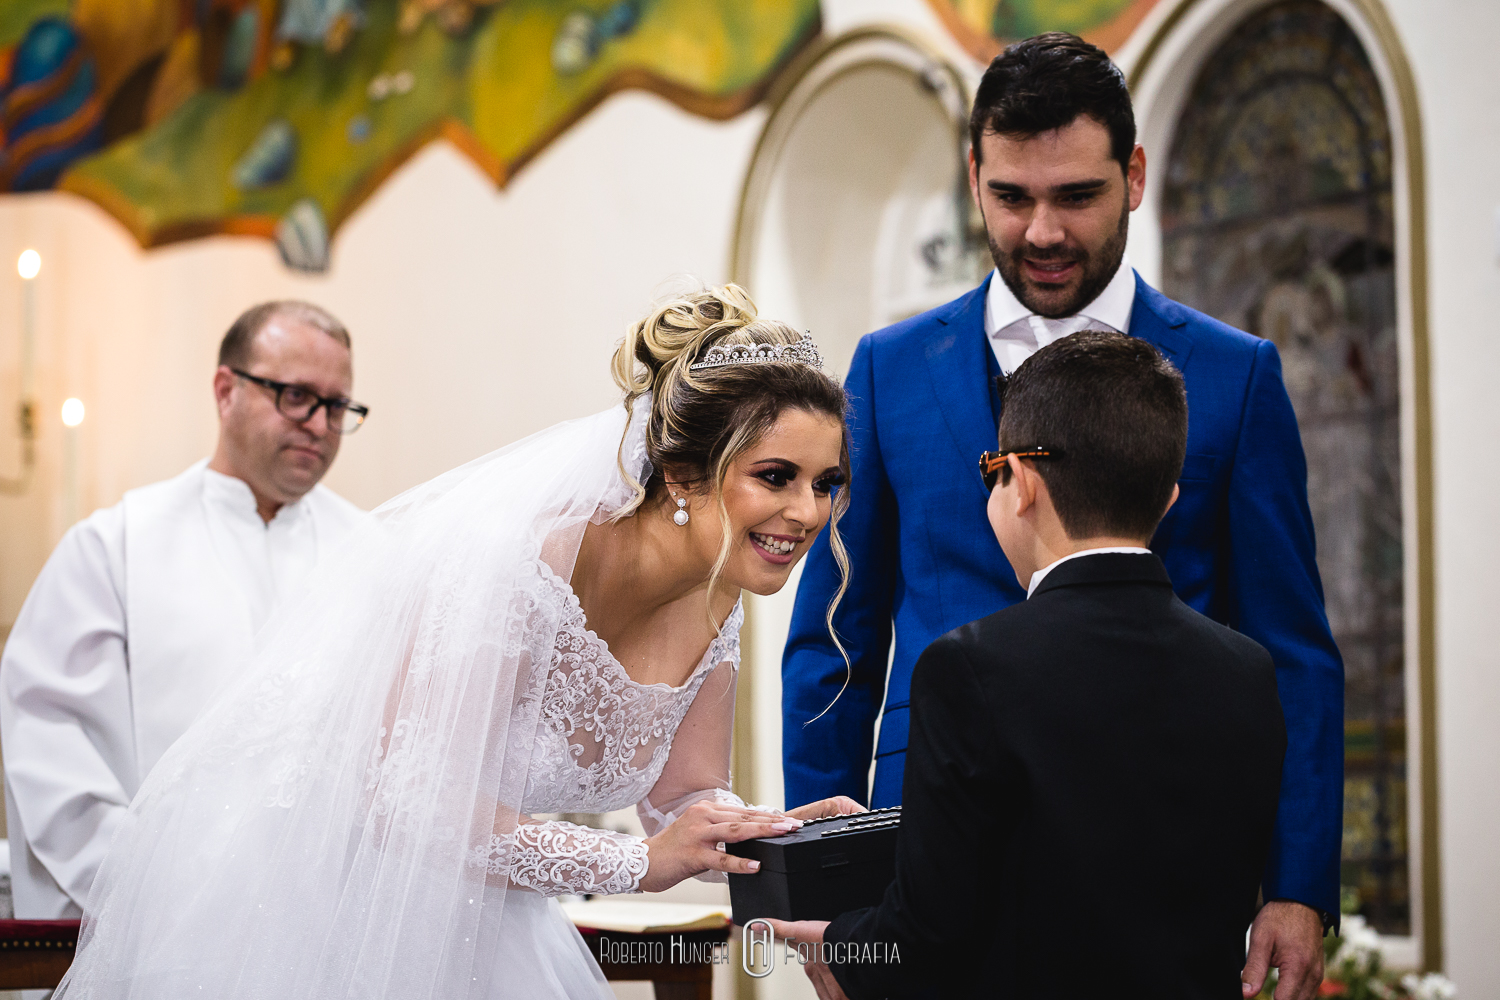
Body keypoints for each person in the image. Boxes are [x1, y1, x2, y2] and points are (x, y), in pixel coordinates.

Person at [53, 284, 860, 1000]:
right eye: (776, 475)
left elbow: (682, 799)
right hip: (330, 903)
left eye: (825, 483)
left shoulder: (721, 598)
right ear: (684, 472)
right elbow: (402, 794)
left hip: (483, 913)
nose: (808, 512)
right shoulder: (529, 562)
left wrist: (782, 838)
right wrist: (633, 866)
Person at [781, 32, 1343, 997]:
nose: (1042, 231)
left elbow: (1291, 645)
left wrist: (1297, 886)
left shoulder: (1233, 375)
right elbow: (836, 637)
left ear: (1132, 175)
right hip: (923, 856)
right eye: (1012, 197)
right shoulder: (887, 368)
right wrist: (826, 875)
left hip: (1158, 856)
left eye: (1075, 196)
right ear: (974, 177)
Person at [770, 331, 1288, 999]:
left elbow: (929, 935)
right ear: (1167, 499)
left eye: (994, 472)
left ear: (1022, 484)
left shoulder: (969, 669)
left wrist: (842, 946)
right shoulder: (1246, 671)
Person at [1, 300, 368, 921]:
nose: (320, 424)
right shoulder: (114, 548)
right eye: (297, 396)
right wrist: (155, 904)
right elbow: (51, 746)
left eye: (338, 406)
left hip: (327, 927)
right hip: (150, 926)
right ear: (226, 390)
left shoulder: (371, 554)